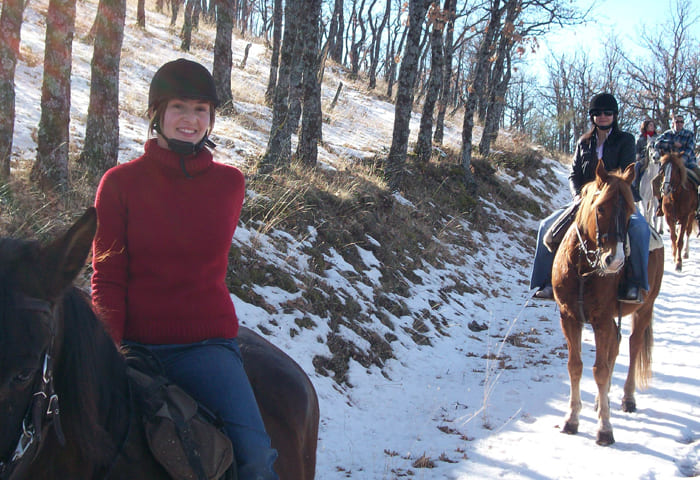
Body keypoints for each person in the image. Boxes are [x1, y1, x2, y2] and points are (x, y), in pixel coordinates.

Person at [91, 58, 279, 479]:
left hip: (206, 346)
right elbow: (107, 275)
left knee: (254, 456)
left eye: (201, 110)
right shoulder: (119, 184)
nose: (190, 120)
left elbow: (199, 267)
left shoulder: (230, 184)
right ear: (158, 113)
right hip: (134, 347)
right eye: (179, 107)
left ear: (211, 118)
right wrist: (107, 351)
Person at [530, 92, 650, 303]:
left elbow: (626, 172)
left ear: (614, 115)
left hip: (617, 200)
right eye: (598, 113)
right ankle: (546, 282)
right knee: (546, 226)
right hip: (585, 201)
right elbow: (574, 174)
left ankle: (635, 284)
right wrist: (578, 195)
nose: (603, 116)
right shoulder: (583, 142)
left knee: (640, 229)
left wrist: (607, 191)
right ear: (592, 116)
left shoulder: (626, 140)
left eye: (608, 113)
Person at [652, 114, 700, 218]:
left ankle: (698, 210)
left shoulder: (689, 134)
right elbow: (657, 144)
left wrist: (680, 162)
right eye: (677, 122)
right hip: (670, 166)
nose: (679, 124)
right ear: (673, 123)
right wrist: (672, 143)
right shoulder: (667, 134)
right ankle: (661, 204)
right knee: (655, 182)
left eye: (681, 122)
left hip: (688, 165)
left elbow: (689, 150)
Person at [631, 119, 658, 199]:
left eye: (653, 125)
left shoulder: (658, 138)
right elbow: (637, 150)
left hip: (656, 157)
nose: (652, 127)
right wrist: (637, 156)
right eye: (650, 125)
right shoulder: (641, 139)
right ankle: (635, 185)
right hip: (644, 158)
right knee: (636, 166)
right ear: (645, 127)